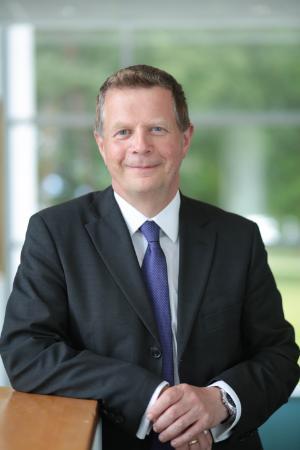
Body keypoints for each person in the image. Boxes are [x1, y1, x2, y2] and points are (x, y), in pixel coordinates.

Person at [0, 65, 299, 450]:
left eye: (157, 129)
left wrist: (219, 401)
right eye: (123, 132)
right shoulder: (55, 233)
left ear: (185, 138)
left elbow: (278, 354)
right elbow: (26, 350)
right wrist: (150, 397)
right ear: (101, 143)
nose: (140, 146)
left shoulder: (238, 238)